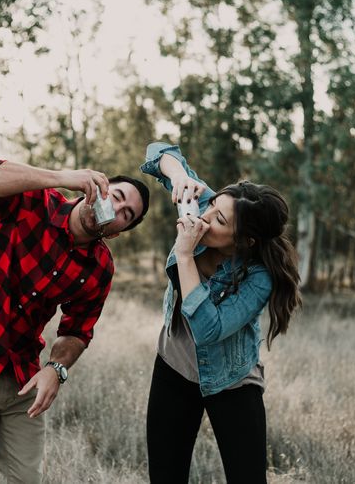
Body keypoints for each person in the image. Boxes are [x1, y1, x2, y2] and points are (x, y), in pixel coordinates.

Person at [0, 159, 149, 483]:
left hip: (22, 376)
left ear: (119, 232)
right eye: (116, 196)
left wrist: (56, 369)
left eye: (126, 214)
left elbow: (78, 330)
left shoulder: (99, 266)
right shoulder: (34, 201)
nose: (117, 210)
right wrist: (63, 176)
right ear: (97, 187)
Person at [141, 142, 301, 483]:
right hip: (175, 366)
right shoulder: (204, 205)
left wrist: (185, 256)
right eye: (211, 204)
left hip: (232, 379)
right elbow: (159, 151)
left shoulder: (260, 278)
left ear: (244, 241)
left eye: (219, 219)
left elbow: (208, 330)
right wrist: (180, 175)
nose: (205, 216)